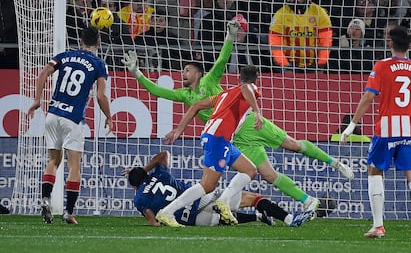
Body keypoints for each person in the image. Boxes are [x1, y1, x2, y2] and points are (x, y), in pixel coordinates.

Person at [122, 20, 354, 223]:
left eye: (187, 69)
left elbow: (223, 59)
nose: (183, 73)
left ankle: (335, 164)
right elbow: (157, 91)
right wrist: (137, 73)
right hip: (233, 136)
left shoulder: (210, 80)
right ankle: (308, 201)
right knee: (267, 174)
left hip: (249, 122)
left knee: (292, 144)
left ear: (198, 72)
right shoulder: (185, 96)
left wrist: (230, 36)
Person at [155, 65, 261, 227]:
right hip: (218, 137)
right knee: (208, 185)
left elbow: (196, 106)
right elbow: (246, 88)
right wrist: (257, 112)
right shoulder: (250, 88)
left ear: (239, 77)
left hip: (218, 138)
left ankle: (224, 201)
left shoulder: (224, 94)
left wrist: (179, 129)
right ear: (256, 78)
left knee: (249, 169)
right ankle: (167, 212)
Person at [28, 27, 113, 225]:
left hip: (53, 114)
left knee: (53, 160)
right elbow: (100, 95)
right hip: (73, 119)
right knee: (74, 165)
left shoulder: (64, 56)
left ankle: (45, 198)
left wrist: (36, 100)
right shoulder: (99, 64)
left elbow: (43, 74)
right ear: (99, 43)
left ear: (80, 40)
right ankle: (69, 212)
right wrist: (109, 116)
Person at [340, 25, 411, 239]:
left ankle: (378, 225)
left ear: (390, 43)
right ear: (409, 45)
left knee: (374, 171)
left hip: (388, 127)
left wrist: (352, 125)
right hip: (410, 127)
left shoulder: (382, 66)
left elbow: (368, 97)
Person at [125, 150, 307, 227]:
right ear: (145, 175)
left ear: (134, 186)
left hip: (187, 217)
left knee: (220, 220)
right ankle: (288, 218)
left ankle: (257, 218)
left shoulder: (139, 199)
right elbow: (164, 154)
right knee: (252, 198)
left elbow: (154, 222)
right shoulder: (159, 174)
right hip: (198, 197)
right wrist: (145, 168)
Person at [269, 0, 333, 73]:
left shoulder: (319, 12)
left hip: (314, 65)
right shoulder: (280, 14)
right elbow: (274, 42)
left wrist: (321, 63)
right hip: (289, 65)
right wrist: (284, 64)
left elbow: (326, 40)